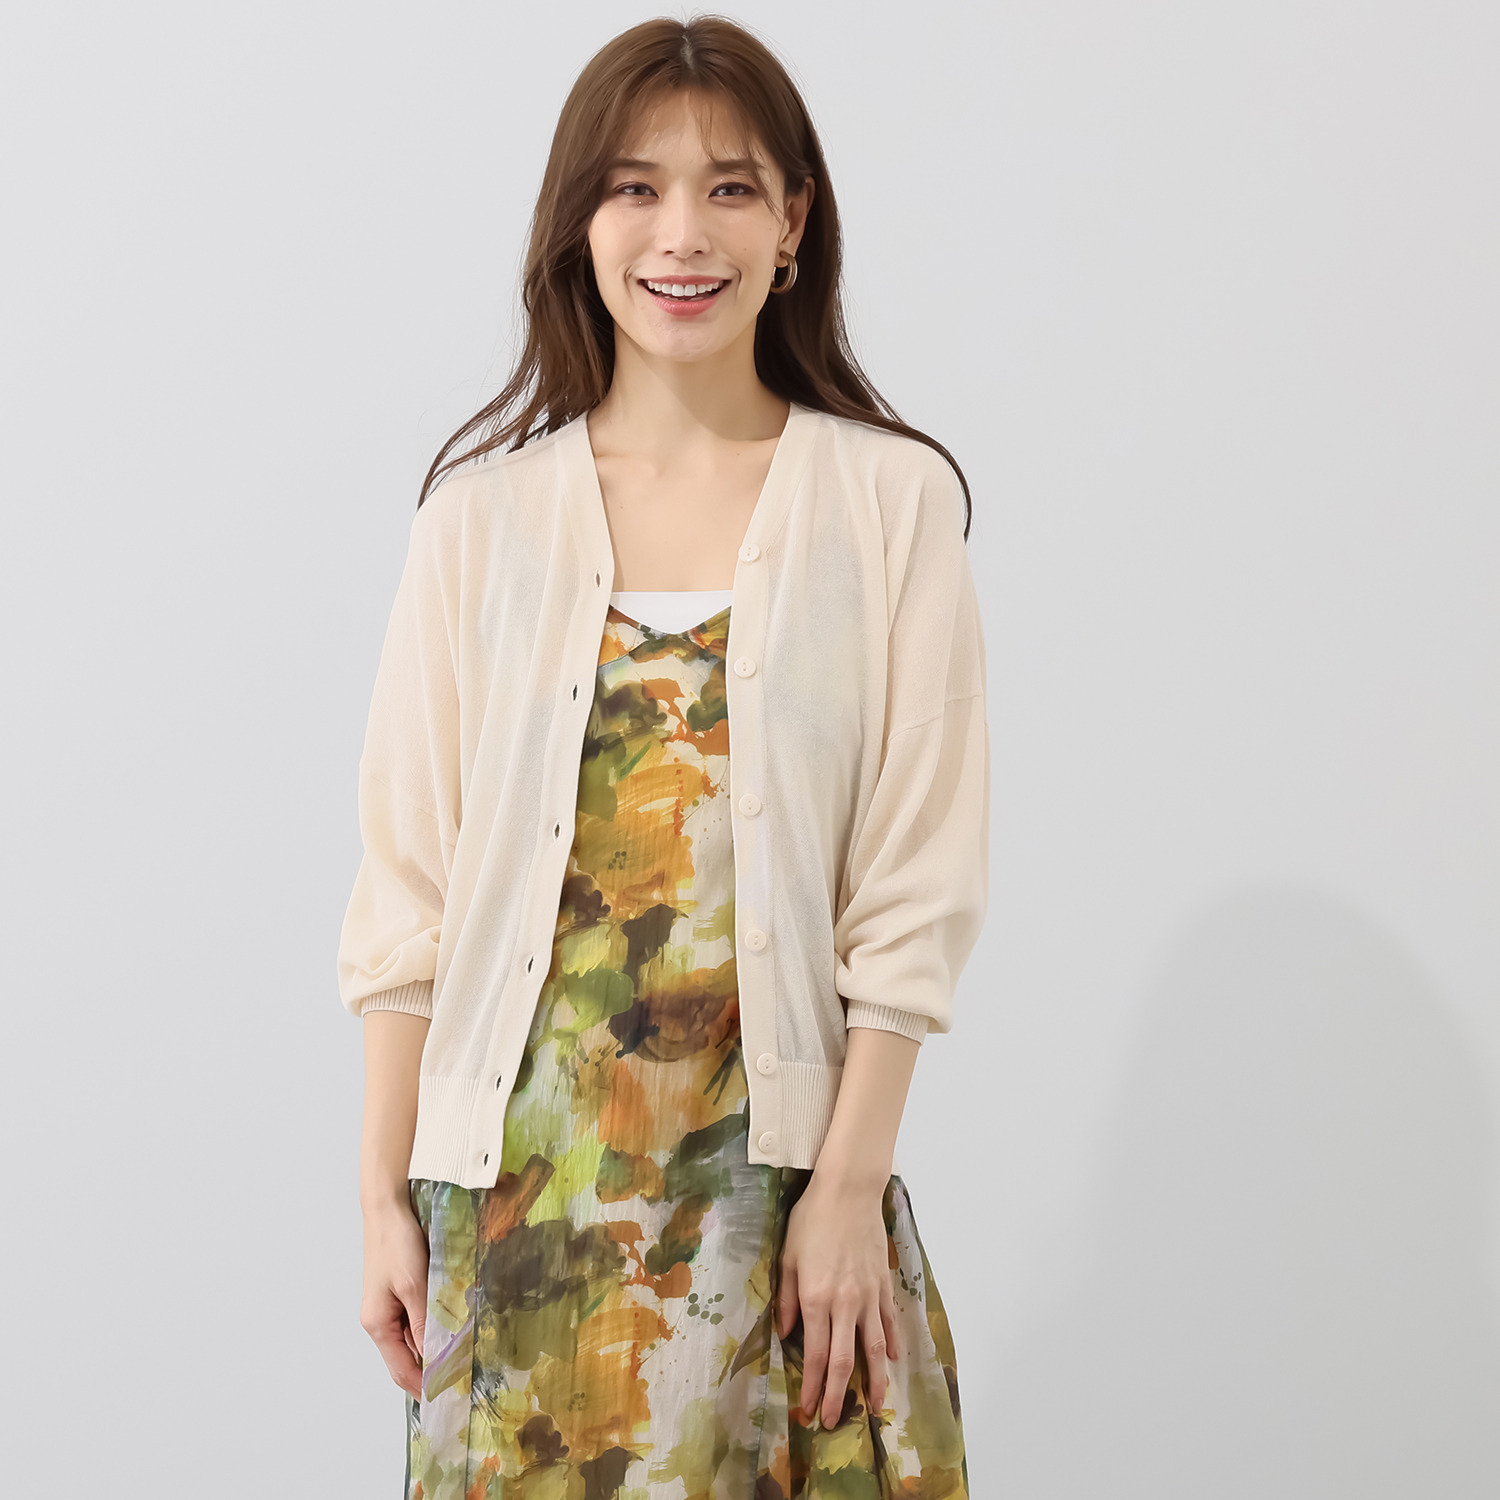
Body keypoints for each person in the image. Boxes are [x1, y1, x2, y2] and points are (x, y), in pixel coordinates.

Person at [337, 15, 990, 1496]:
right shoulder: (476, 527)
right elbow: (407, 900)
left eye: (730, 188)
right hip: (517, 1216)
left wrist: (848, 1189)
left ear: (794, 222)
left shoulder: (890, 507)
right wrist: (382, 1197)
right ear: (579, 222)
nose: (681, 233)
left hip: (785, 1214)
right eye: (634, 187)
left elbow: (915, 894)